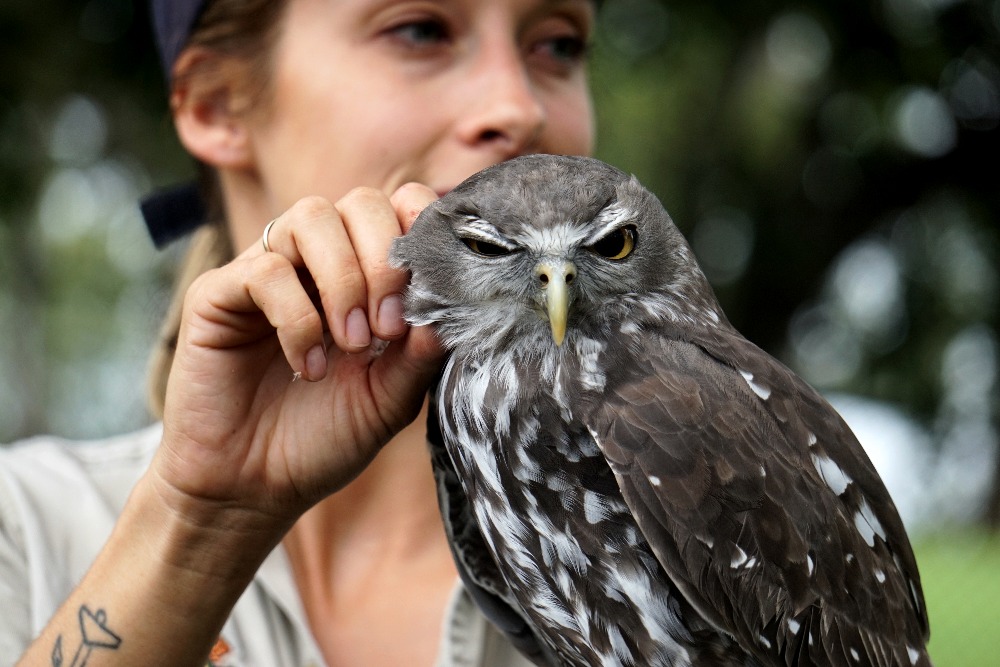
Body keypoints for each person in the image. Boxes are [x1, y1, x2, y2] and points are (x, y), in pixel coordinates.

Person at [0, 0, 597, 665]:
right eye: (421, 30)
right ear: (216, 104)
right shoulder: (27, 530)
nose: (521, 108)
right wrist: (202, 524)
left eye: (559, 46)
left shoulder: (688, 538)